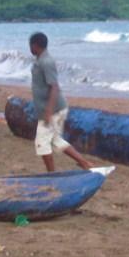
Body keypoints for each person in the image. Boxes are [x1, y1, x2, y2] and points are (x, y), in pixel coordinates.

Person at [29, 32, 93, 172]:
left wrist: (48, 111)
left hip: (53, 110)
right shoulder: (39, 60)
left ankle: (51, 174)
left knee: (42, 143)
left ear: (35, 45)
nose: (30, 48)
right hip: (51, 109)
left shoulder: (47, 62)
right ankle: (84, 163)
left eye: (30, 45)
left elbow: (54, 87)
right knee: (56, 140)